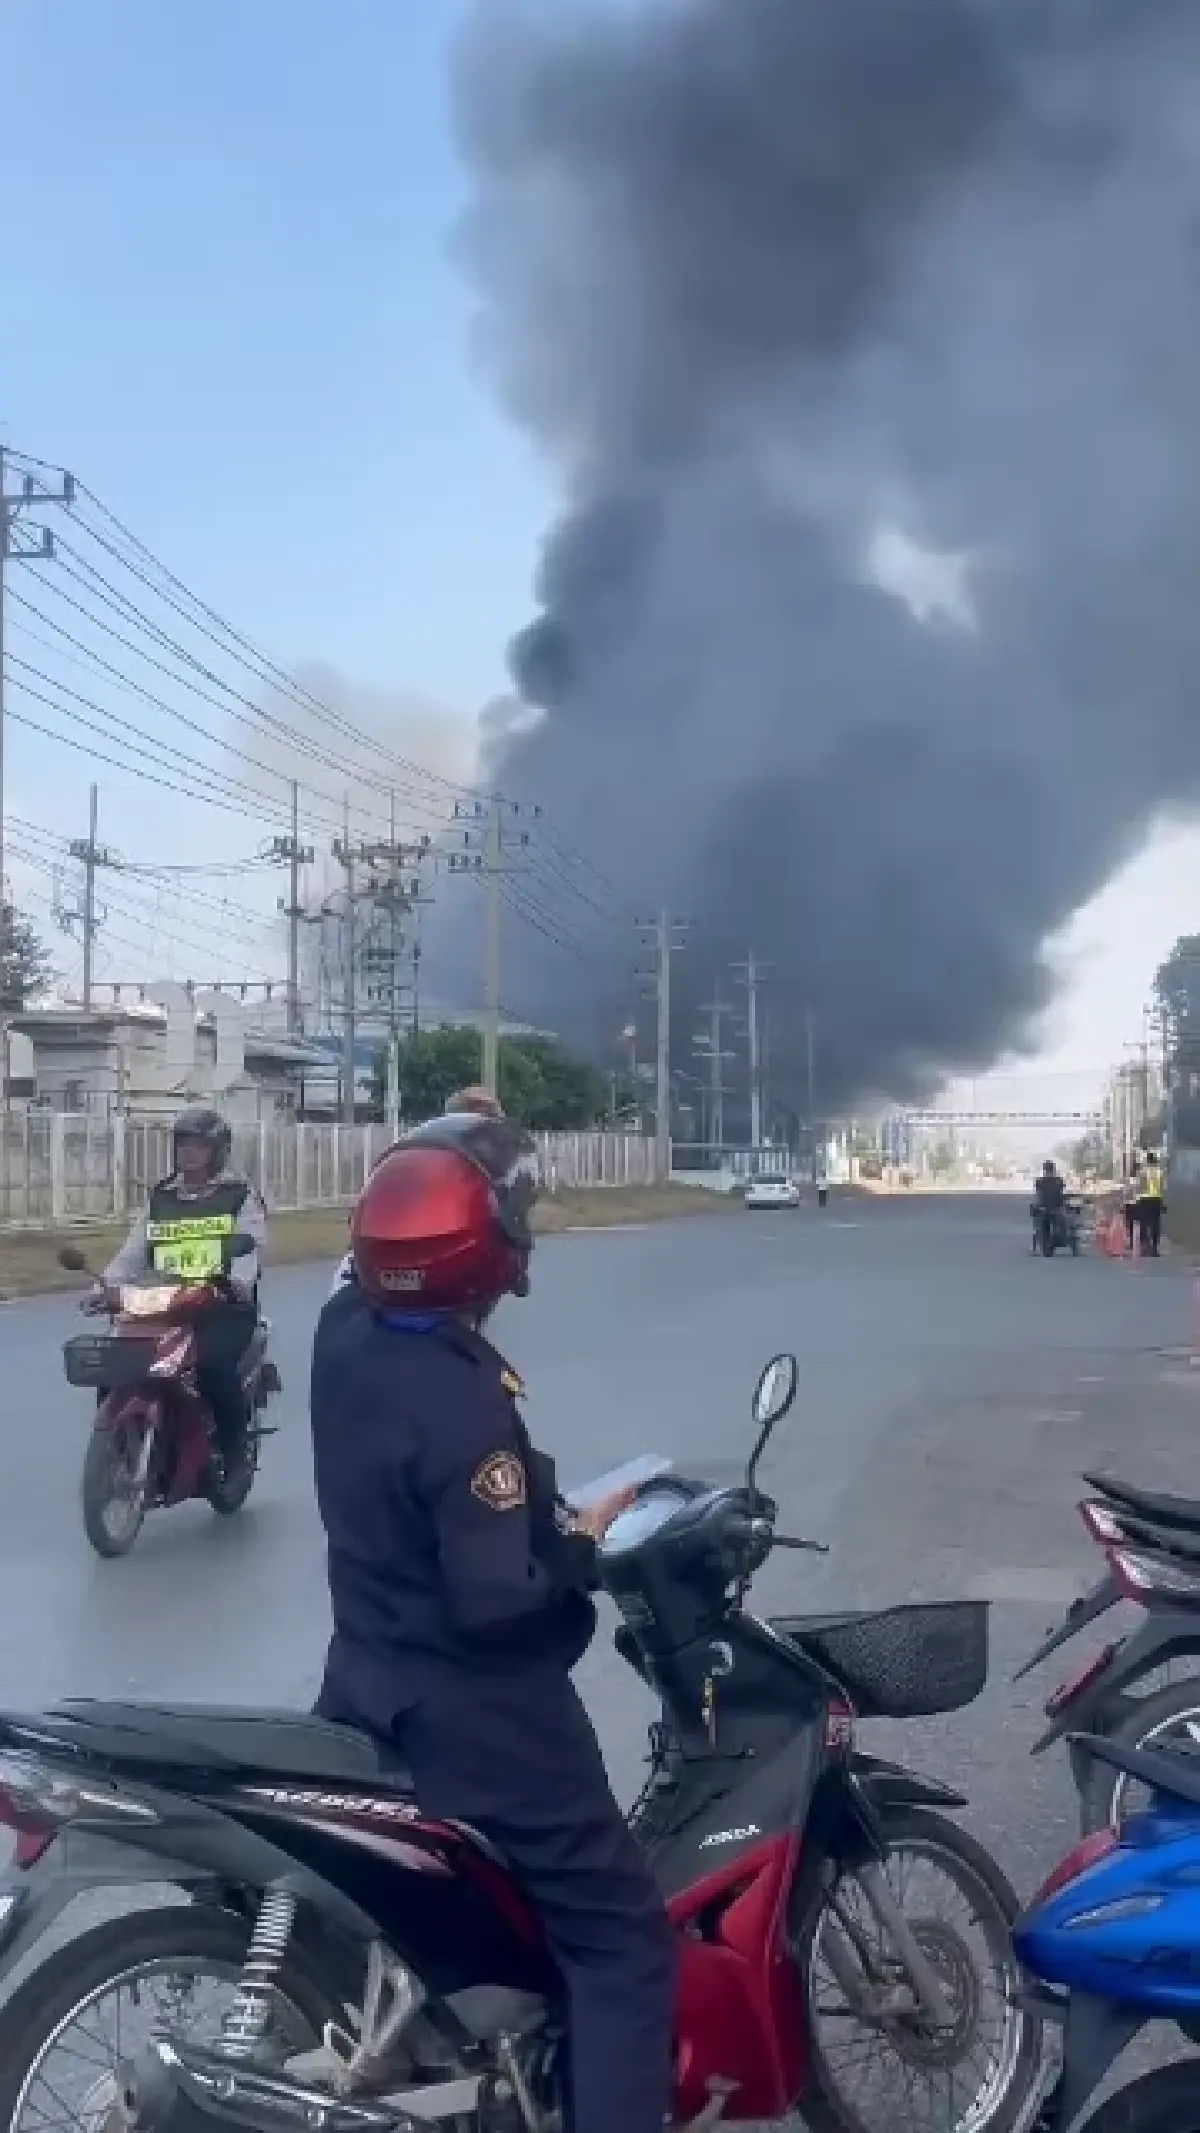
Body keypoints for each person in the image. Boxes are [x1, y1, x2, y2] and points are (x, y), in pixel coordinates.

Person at [310, 1111, 676, 2133]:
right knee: (622, 1943)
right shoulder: (463, 1406)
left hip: (365, 1680)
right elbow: (494, 1601)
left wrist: (454, 1147)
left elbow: (371, 1257)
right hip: (481, 1722)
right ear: (486, 1251)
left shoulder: (346, 1332)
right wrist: (580, 1558)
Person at [101, 1104, 265, 1476]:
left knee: (213, 1367)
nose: (189, 1153)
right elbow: (134, 1251)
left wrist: (235, 1283)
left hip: (221, 1306)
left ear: (217, 1151)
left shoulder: (239, 1195)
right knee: (117, 1364)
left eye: (199, 1146)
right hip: (165, 1301)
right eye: (183, 1145)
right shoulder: (161, 1197)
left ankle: (235, 1452)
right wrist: (108, 1285)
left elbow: (250, 1245)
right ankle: (118, 1447)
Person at [329, 1085, 507, 1296]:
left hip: (436, 1274)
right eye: (474, 1119)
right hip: (380, 1266)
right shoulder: (422, 1156)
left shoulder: (485, 1168)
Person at [1032, 1158, 1066, 1252]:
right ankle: (1058, 1239)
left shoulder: (1040, 1181)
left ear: (1044, 1170)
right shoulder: (1059, 1180)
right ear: (1054, 1169)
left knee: (1041, 1225)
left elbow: (1038, 1195)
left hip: (1043, 1208)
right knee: (1062, 1223)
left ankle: (1043, 1242)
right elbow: (1061, 1194)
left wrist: (1036, 1206)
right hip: (1057, 1208)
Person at [1138, 1151, 1165, 1257]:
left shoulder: (1143, 1172)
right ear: (1155, 1161)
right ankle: (1154, 1249)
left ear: (1147, 1161)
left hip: (1145, 1199)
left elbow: (1141, 1186)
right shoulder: (1159, 1172)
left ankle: (1145, 1247)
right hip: (1156, 1199)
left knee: (1144, 1223)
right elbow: (1162, 1187)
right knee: (1156, 1224)